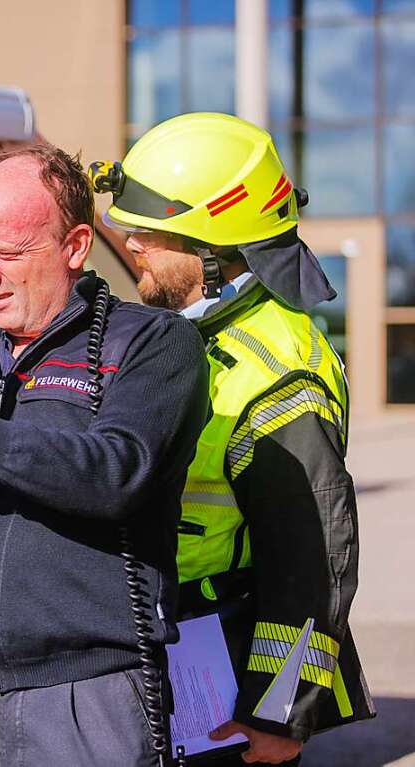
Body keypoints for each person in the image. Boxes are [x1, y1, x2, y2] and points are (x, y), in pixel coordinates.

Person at [0, 143, 210, 767]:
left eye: (6, 252)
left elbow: (116, 472)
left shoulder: (152, 343)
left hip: (86, 696)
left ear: (75, 245)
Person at [91, 112, 375, 766]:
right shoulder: (196, 329)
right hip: (174, 648)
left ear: (215, 254)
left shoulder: (278, 374)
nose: (131, 242)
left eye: (153, 234)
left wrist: (278, 712)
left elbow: (314, 561)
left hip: (229, 693)